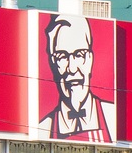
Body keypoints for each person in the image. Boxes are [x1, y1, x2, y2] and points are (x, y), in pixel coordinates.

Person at [38, 14, 115, 142]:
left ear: (90, 59)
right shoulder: (43, 129)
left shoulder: (111, 116)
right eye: (62, 56)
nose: (72, 68)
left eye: (79, 55)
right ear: (53, 63)